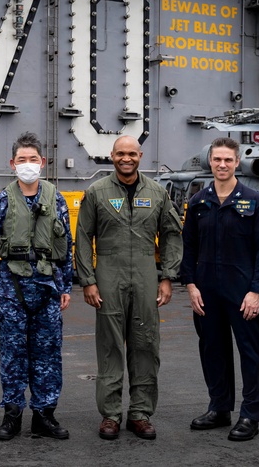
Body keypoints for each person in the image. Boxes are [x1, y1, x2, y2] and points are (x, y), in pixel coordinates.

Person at [75, 135, 182, 441]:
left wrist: (167, 276)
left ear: (140, 155)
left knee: (146, 344)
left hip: (147, 273)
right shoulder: (97, 192)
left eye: (131, 153)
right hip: (108, 273)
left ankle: (140, 413)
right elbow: (83, 238)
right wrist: (88, 280)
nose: (126, 158)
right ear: (112, 156)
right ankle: (110, 414)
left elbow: (172, 234)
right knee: (109, 346)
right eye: (121, 153)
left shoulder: (158, 193)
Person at [0, 132, 73, 441]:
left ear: (42, 163)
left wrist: (66, 287)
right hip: (11, 288)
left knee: (48, 354)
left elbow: (65, 246)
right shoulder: (2, 200)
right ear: (12, 164)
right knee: (13, 354)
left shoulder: (56, 198)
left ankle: (44, 415)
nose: (28, 165)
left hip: (47, 289)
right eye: (22, 160)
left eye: (33, 159)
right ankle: (12, 415)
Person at [180, 137, 259, 442]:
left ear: (236, 163)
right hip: (206, 289)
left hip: (241, 289)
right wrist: (191, 285)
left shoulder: (253, 201)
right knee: (212, 349)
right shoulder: (198, 202)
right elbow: (189, 246)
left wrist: (256, 291)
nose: (222, 165)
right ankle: (219, 408)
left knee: (252, 352)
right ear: (210, 161)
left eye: (228, 160)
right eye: (217, 159)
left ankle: (251, 414)